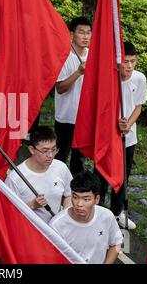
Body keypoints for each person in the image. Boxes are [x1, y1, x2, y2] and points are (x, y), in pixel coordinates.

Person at [98, 42, 147, 230]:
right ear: (118, 62)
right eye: (125, 61)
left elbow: (138, 106)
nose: (129, 66)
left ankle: (117, 212)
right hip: (107, 137)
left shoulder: (140, 79)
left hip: (128, 137)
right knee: (102, 173)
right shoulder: (109, 79)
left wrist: (128, 124)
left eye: (133, 61)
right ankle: (98, 208)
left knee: (123, 175)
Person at [49, 171, 123, 264]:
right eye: (75, 197)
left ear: (97, 199)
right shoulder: (56, 225)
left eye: (86, 199)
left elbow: (116, 243)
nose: (79, 204)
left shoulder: (107, 216)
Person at [5, 127, 73, 224]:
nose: (50, 155)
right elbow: (8, 213)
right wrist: (32, 205)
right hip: (29, 231)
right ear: (32, 149)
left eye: (54, 150)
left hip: (56, 230)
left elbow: (69, 195)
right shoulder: (15, 179)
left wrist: (65, 216)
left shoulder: (61, 167)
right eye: (45, 151)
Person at [54, 17, 92, 177]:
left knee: (79, 158)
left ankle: (77, 191)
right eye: (81, 32)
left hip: (85, 116)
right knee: (61, 155)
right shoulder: (63, 56)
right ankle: (56, 185)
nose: (85, 36)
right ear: (71, 34)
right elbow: (60, 88)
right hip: (66, 116)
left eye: (88, 33)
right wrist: (78, 72)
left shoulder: (93, 56)